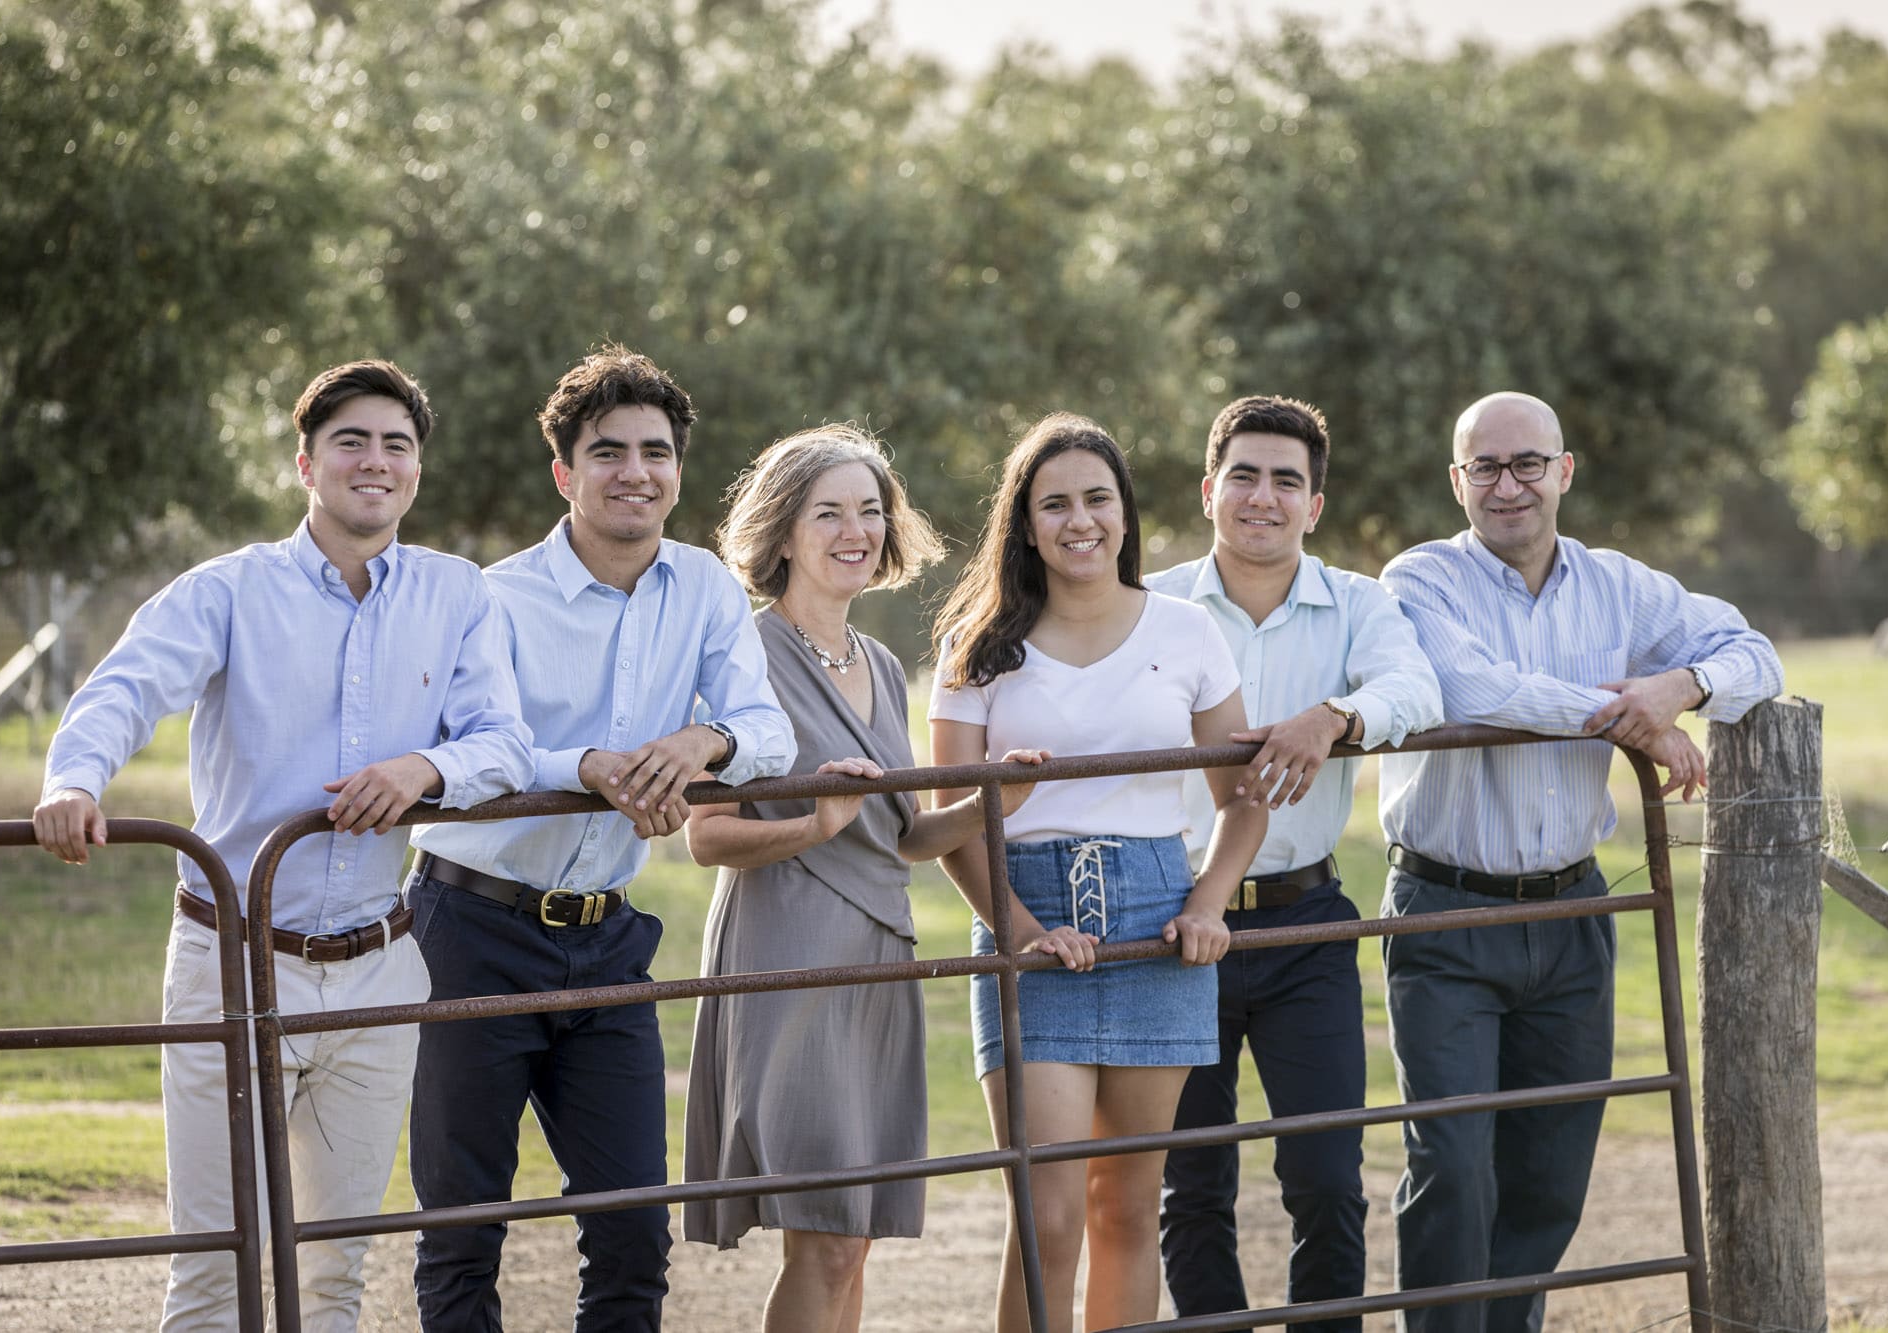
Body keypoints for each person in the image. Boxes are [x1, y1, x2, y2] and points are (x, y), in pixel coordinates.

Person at [32, 360, 534, 1331]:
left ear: (417, 469)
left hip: (379, 969)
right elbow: (124, 687)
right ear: (306, 463)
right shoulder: (228, 590)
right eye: (352, 441)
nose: (375, 460)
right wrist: (73, 781)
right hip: (234, 962)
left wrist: (423, 768)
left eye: (396, 444)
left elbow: (504, 743)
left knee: (335, 1271)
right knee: (216, 1268)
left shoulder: (457, 593)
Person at [404, 343, 795, 1332]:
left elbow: (770, 730)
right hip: (469, 931)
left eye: (655, 452)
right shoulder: (494, 597)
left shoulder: (706, 588)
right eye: (608, 451)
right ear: (563, 473)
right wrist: (586, 767)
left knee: (630, 1232)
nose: (635, 472)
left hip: (606, 937)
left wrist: (703, 741)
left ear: (678, 471)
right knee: (462, 1227)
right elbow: (470, 749)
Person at [1378, 391, 1784, 1332]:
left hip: (1573, 918)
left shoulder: (1620, 586)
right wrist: (1627, 719)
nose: (1507, 485)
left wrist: (1681, 684)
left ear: (1563, 471)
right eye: (1486, 466)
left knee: (1550, 1174)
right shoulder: (1419, 578)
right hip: (1445, 911)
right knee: (1452, 1166)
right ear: (1457, 480)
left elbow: (1755, 651)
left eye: (1528, 463)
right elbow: (1469, 688)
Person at [680, 424, 1046, 1333]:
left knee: (855, 1234)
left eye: (871, 510)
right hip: (787, 953)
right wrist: (811, 824)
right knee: (825, 1237)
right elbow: (706, 837)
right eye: (829, 512)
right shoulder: (745, 655)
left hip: (880, 953)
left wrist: (993, 799)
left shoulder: (880, 662)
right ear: (782, 530)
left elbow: (905, 836)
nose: (857, 530)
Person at [928, 412, 1268, 1333]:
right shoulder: (976, 643)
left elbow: (1243, 798)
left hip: (1158, 919)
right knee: (1046, 1212)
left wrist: (1208, 902)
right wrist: (1025, 931)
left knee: (1128, 1204)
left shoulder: (1188, 630)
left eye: (1097, 499)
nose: (1079, 520)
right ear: (1024, 523)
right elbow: (953, 824)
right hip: (1024, 914)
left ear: (1125, 512)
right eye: (1055, 504)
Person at [1148, 396, 1442, 1327]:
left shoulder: (1359, 603)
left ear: (1314, 505)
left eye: (1286, 481)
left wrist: (1335, 717)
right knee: (1192, 1181)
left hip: (1306, 924)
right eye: (1243, 475)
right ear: (1208, 490)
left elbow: (1417, 688)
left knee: (1325, 1175)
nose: (1263, 497)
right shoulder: (1149, 604)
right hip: (1174, 920)